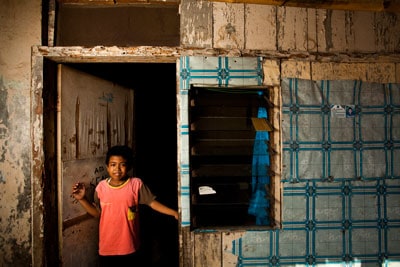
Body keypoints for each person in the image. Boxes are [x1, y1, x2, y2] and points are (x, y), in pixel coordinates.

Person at [71, 145, 179, 267]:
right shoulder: (101, 188)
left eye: (122, 164)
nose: (117, 169)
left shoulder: (135, 184)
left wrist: (173, 212)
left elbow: (152, 203)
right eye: (113, 164)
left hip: (129, 246)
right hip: (107, 247)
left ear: (129, 167)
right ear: (107, 167)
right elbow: (98, 213)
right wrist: (82, 199)